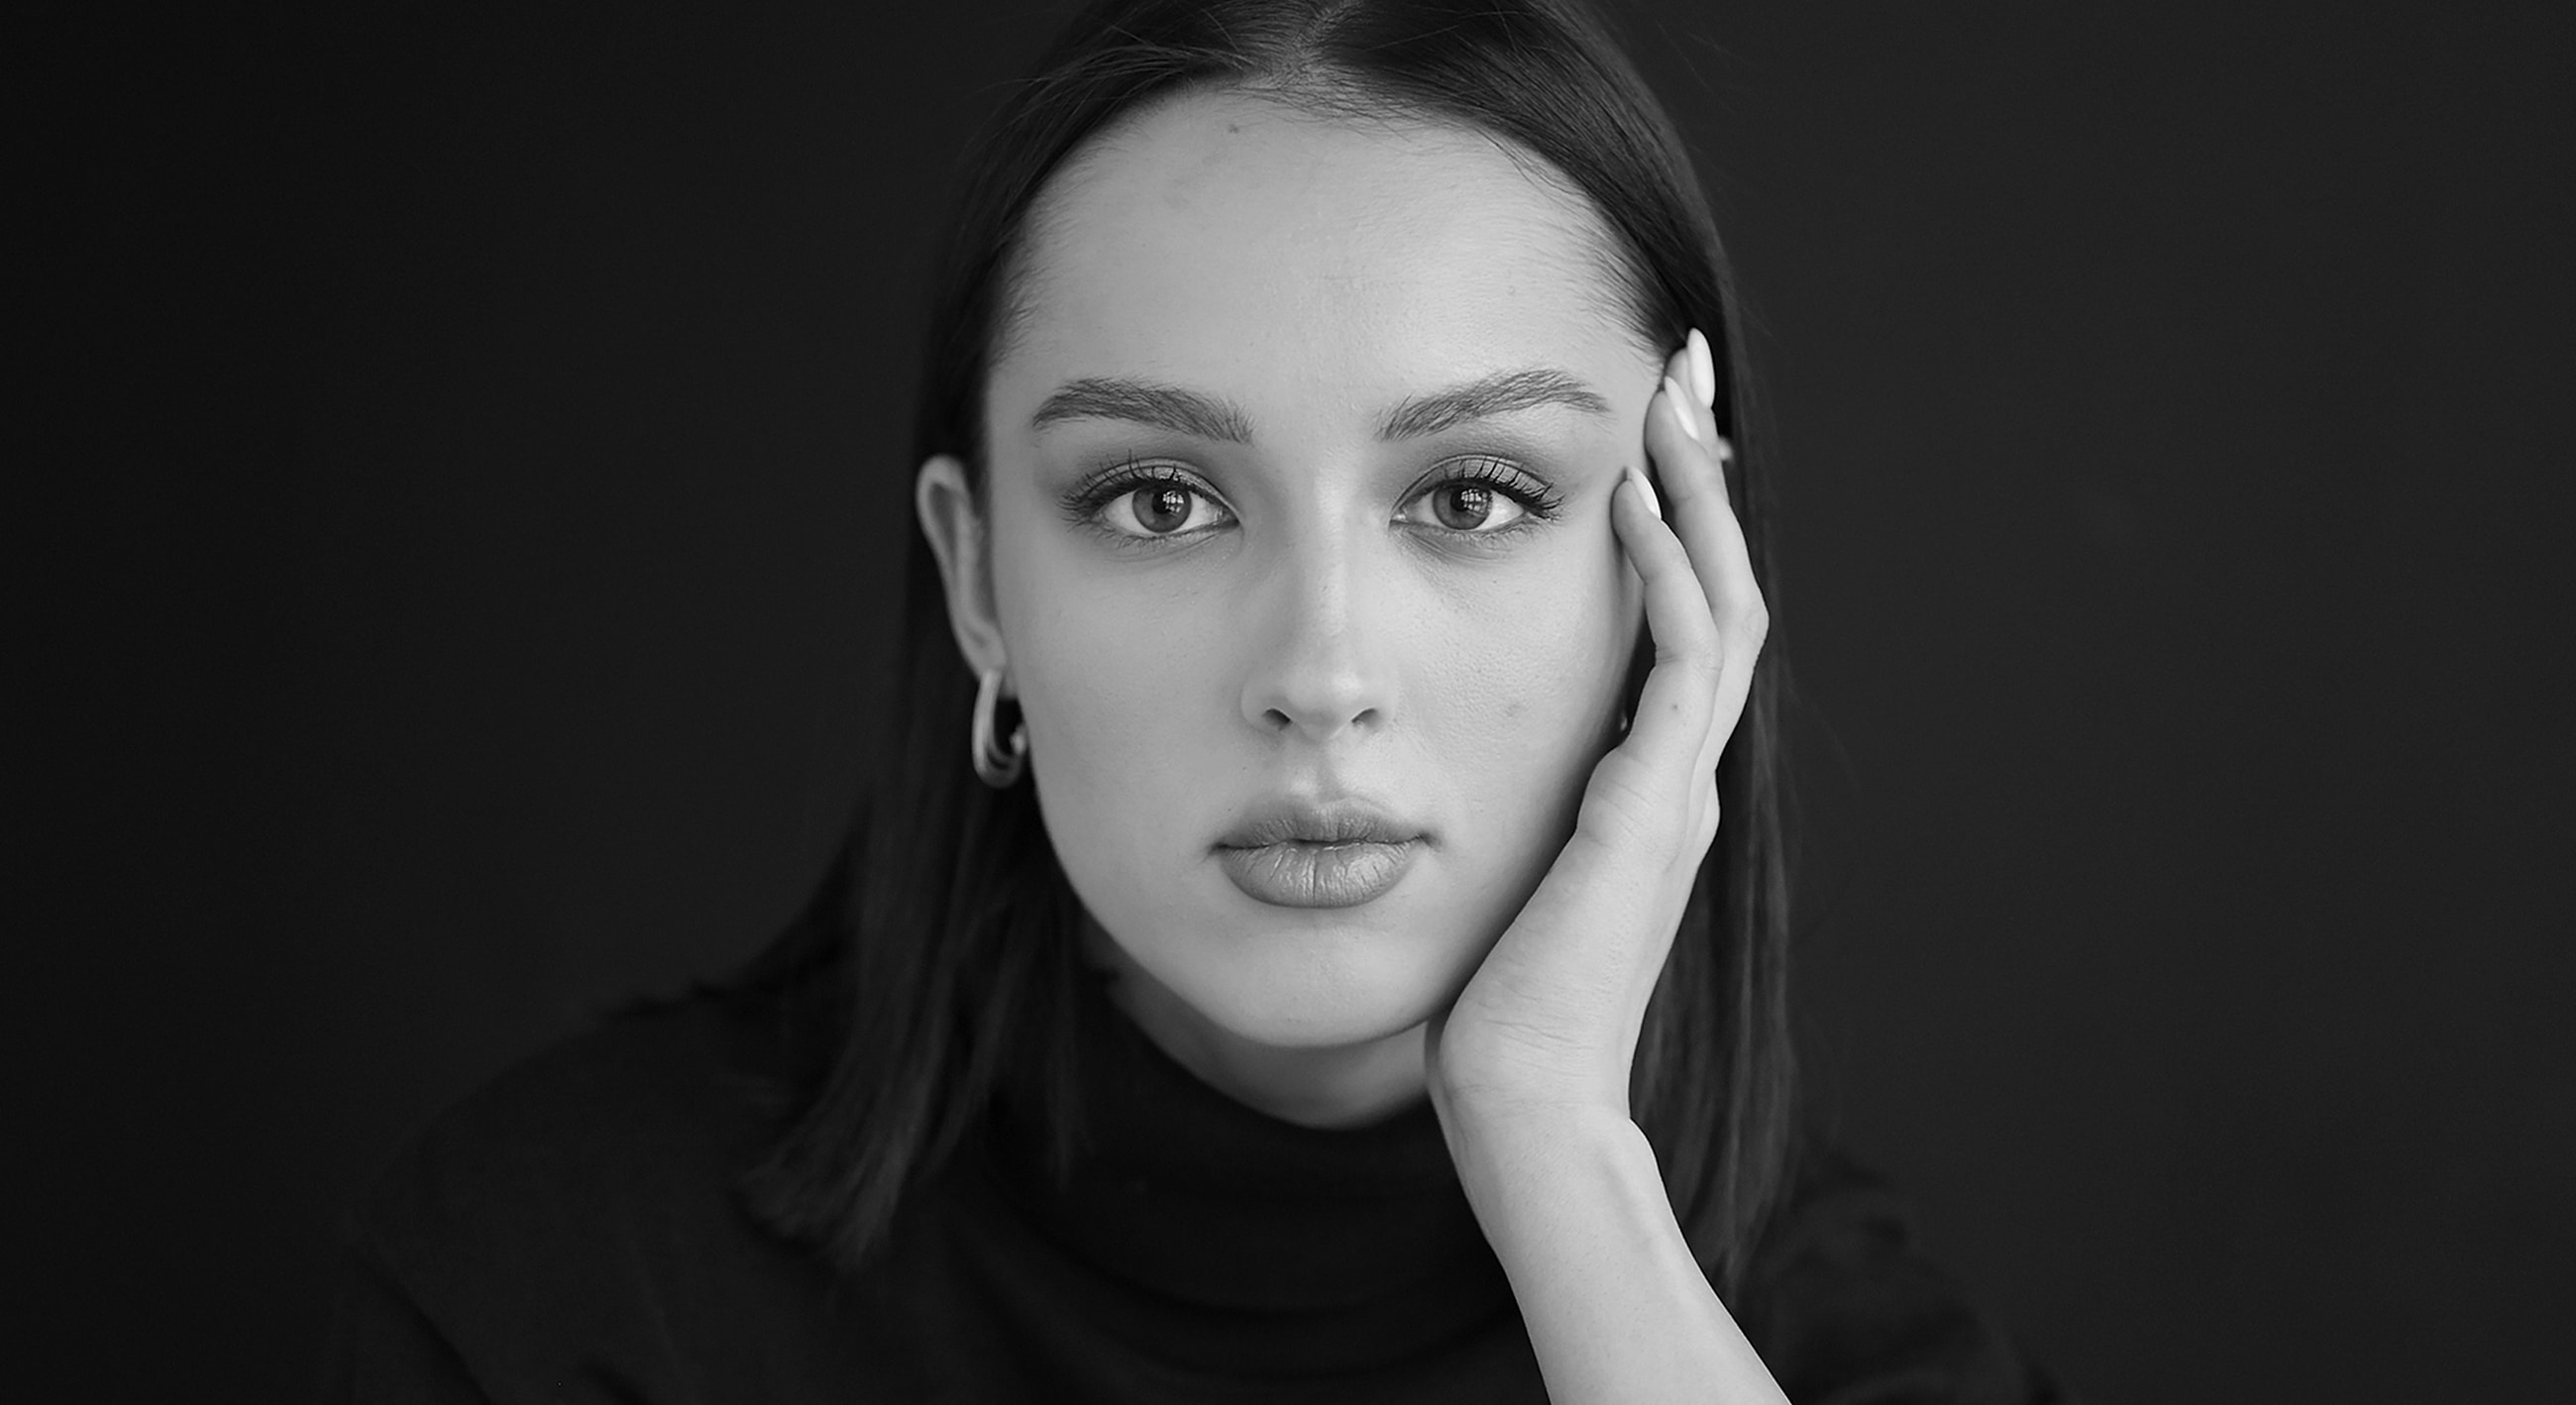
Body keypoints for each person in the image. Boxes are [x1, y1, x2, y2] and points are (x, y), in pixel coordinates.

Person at [323, 1, 2068, 1399]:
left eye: (1471, 495)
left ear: (1680, 562)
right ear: (979, 578)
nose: (1319, 676)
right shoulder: (548, 1294)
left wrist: (1553, 1146)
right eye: (1158, 498)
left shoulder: (1836, 1357)